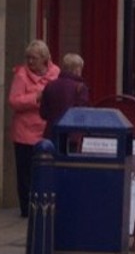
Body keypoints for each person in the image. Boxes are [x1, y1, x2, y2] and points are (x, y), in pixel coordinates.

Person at [8, 40, 60, 217]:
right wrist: (35, 98)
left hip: (46, 131)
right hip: (24, 131)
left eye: (34, 58)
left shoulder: (56, 74)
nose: (30, 62)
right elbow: (14, 101)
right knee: (25, 174)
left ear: (45, 59)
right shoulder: (21, 75)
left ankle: (46, 205)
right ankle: (26, 209)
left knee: (46, 170)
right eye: (28, 58)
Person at [40, 53, 89, 138]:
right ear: (77, 69)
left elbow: (43, 113)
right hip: (72, 135)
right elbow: (81, 114)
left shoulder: (50, 85)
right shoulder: (80, 88)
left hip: (51, 132)